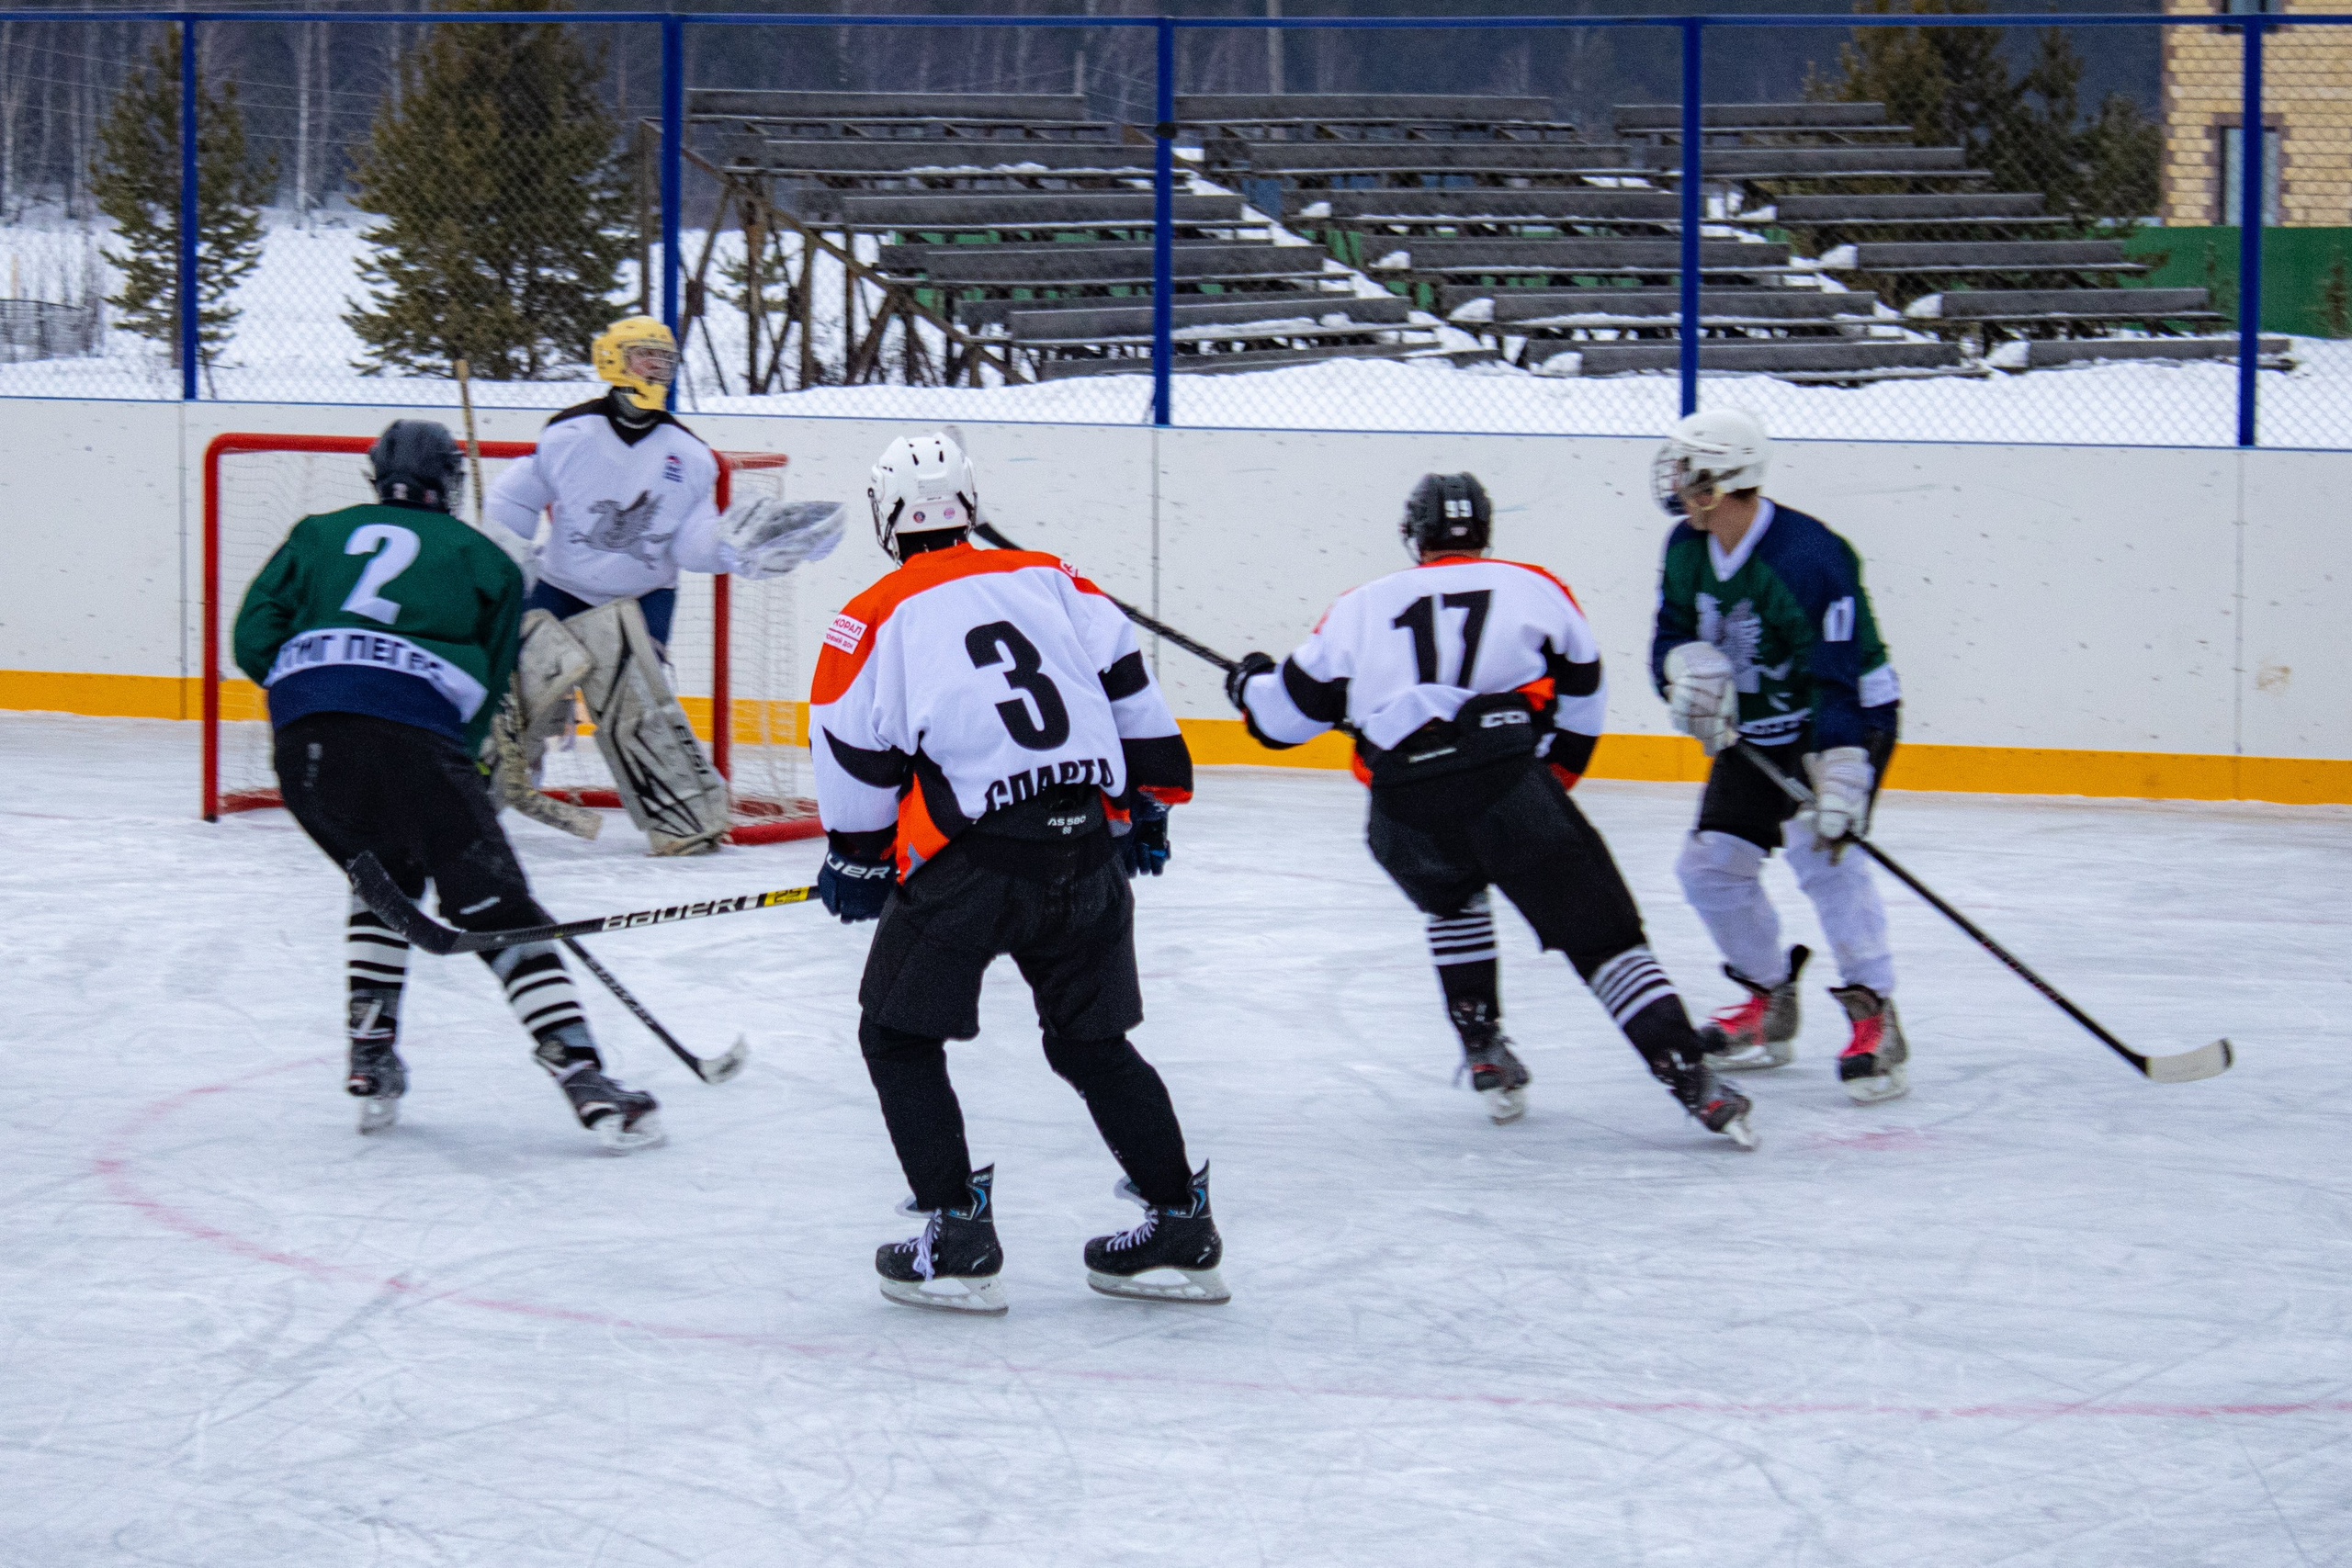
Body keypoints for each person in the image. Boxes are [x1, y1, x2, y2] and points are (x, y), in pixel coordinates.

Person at [809, 431, 1225, 1314]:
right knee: (1090, 1042)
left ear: (888, 518)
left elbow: (853, 744)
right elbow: (1128, 687)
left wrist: (855, 855)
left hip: (976, 866)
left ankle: (957, 1233)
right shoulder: (1057, 577)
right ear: (969, 506)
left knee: (896, 1036)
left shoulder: (873, 611)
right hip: (1085, 848)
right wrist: (1146, 804)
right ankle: (1179, 1221)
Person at [1225, 472, 1755, 1148]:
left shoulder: (1360, 605)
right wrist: (1551, 783)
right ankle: (1690, 1076)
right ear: (1484, 531)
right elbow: (1584, 694)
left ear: (1413, 536)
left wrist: (1248, 682)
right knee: (1605, 940)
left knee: (1452, 899)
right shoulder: (1534, 586)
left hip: (1402, 805)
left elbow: (1280, 720)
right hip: (1507, 780)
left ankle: (1482, 1045)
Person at [232, 420, 664, 1150]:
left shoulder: (314, 533)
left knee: (386, 877)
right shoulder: (486, 560)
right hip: (415, 744)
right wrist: (448, 764)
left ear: (377, 477)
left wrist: (322, 691)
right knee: (502, 911)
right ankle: (584, 1077)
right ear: (451, 484)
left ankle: (371, 1054)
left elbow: (252, 639)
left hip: (305, 751)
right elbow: (484, 695)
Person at [1648, 408, 1909, 1104]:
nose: (1674, 482)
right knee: (1708, 869)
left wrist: (1844, 770)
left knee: (1823, 856)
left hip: (1840, 718)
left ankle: (1874, 1014)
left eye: (1688, 471)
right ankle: (1768, 999)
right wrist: (1682, 670)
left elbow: (1836, 676)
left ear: (1720, 482)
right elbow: (1666, 636)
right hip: (1757, 731)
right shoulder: (1684, 547)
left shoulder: (1809, 557)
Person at [484, 315, 819, 855]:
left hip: (642, 598)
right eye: (646, 355)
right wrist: (505, 558)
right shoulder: (568, 435)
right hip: (560, 587)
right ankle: (472, 800)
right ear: (613, 359)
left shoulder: (688, 455)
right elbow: (511, 501)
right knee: (518, 702)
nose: (658, 367)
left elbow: (690, 545)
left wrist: (736, 543)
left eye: (664, 357)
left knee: (638, 712)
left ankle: (682, 818)